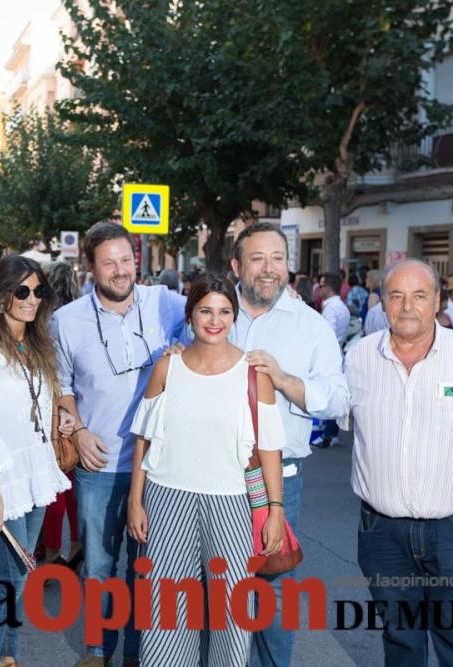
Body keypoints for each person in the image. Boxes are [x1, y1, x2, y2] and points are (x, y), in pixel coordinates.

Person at [342, 259, 453, 667]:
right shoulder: (358, 359)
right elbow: (355, 428)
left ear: (437, 301)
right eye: (397, 295)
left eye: (419, 296)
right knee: (400, 641)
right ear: (383, 302)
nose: (408, 306)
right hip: (382, 532)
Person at [127, 274, 287, 666]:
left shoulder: (254, 374)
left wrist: (276, 512)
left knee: (232, 617)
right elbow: (143, 439)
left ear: (234, 316)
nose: (215, 320)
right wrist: (135, 500)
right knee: (166, 611)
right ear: (190, 314)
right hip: (167, 500)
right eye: (205, 311)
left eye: (224, 311)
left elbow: (270, 449)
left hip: (232, 503)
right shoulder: (168, 366)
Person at [53, 222, 187, 667]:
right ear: (90, 267)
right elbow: (61, 385)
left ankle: (139, 654)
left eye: (126, 260)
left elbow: (216, 308)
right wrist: (78, 430)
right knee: (98, 566)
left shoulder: (165, 303)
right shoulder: (66, 320)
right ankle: (97, 650)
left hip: (159, 464)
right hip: (101, 464)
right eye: (109, 262)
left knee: (146, 568)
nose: (120, 270)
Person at [228, 222, 349, 666]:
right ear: (237, 266)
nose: (268, 269)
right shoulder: (215, 314)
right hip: (213, 473)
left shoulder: (311, 327)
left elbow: (337, 401)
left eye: (277, 259)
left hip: (281, 477)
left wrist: (283, 380)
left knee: (272, 582)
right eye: (257, 258)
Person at [0, 255, 73, 667]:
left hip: (35, 475)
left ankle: (10, 656)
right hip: (2, 482)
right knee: (9, 580)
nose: (31, 298)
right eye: (22, 290)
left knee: (20, 577)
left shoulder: (37, 345)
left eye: (39, 291)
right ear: (1, 295)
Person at [37, 260, 83, 569]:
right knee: (75, 482)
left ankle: (51, 551)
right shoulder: (83, 316)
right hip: (83, 406)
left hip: (53, 404)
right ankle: (79, 544)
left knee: (55, 480)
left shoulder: (46, 321)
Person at [318, 272, 350, 346]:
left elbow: (327, 336)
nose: (318, 289)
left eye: (320, 286)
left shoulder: (331, 308)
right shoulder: (341, 306)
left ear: (328, 288)